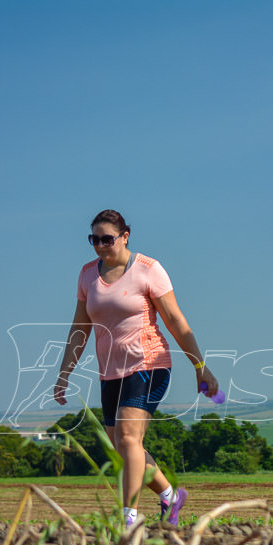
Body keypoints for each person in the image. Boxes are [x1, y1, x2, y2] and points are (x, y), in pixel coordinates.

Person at [54, 209, 221, 528]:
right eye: (94, 240)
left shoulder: (148, 269)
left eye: (107, 239)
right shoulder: (88, 274)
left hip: (149, 363)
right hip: (110, 372)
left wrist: (200, 366)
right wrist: (65, 373)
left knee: (130, 440)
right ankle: (171, 497)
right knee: (123, 447)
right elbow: (80, 328)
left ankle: (127, 518)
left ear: (125, 236)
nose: (101, 246)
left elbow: (175, 321)